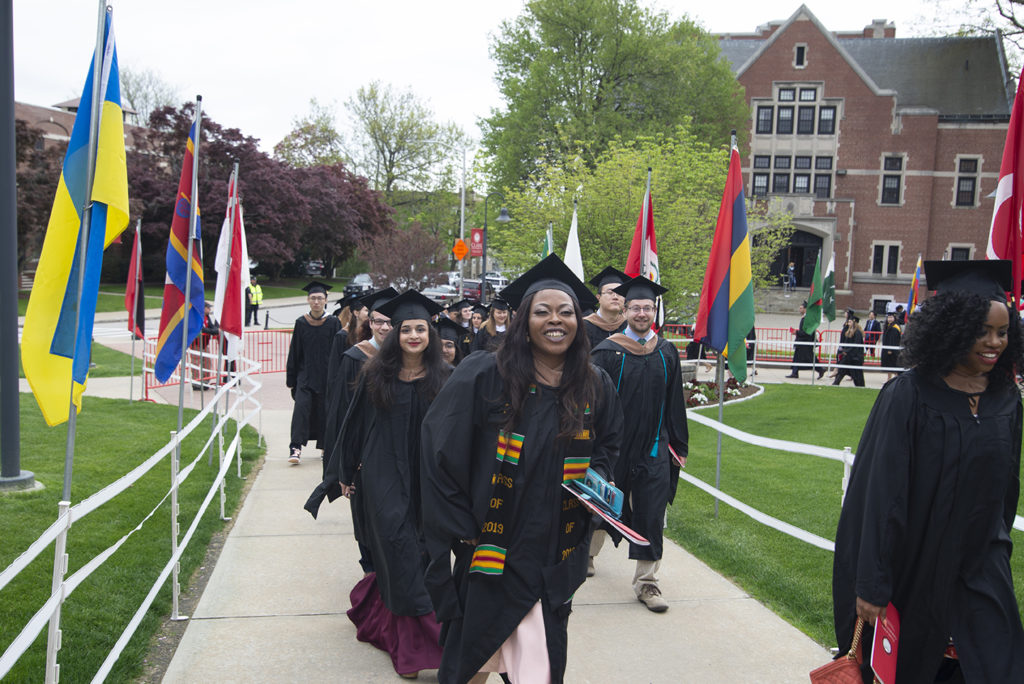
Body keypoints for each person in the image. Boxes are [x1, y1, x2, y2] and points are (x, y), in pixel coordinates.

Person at [421, 254, 623, 684]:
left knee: (541, 668)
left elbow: (608, 445)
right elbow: (439, 447)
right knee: (473, 661)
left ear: (579, 320)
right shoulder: (485, 374)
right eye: (543, 312)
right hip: (495, 548)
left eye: (566, 312)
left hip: (555, 552)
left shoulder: (593, 383)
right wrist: (461, 523)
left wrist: (598, 484)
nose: (556, 321)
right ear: (523, 320)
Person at [832, 259, 1024, 683]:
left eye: (1003, 331)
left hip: (981, 569)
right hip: (914, 569)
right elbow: (880, 496)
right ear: (952, 328)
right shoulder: (910, 396)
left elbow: (1005, 493)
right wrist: (872, 583)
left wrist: (996, 554)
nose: (994, 342)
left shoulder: (1006, 402)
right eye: (982, 331)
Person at [318, 290, 450, 679]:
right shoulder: (376, 373)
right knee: (397, 546)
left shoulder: (446, 377)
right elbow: (352, 423)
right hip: (382, 474)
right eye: (406, 329)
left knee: (423, 551)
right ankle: (415, 646)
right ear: (396, 334)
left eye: (420, 329)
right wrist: (343, 473)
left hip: (429, 478)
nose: (413, 335)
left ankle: (375, 608)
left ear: (430, 333)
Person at [589, 276, 688, 613]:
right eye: (636, 307)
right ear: (626, 310)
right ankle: (586, 555)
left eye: (648, 307)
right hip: (613, 448)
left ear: (654, 310)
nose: (642, 313)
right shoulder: (605, 352)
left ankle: (647, 584)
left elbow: (676, 402)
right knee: (601, 504)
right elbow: (592, 402)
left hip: (654, 448)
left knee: (651, 513)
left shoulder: (665, 352)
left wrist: (679, 444)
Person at [285, 281, 341, 465]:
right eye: (313, 298)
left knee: (326, 412)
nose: (316, 301)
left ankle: (326, 447)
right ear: (308, 300)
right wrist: (291, 379)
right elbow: (295, 352)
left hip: (327, 377)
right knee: (301, 411)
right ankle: (295, 448)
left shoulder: (334, 323)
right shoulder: (301, 323)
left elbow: (339, 352)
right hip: (305, 376)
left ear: (326, 300)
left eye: (320, 298)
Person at [582, 266, 628, 348]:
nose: (615, 297)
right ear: (598, 298)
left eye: (620, 292)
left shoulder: (628, 326)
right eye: (610, 292)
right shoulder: (584, 327)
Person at [785, 301, 824, 379]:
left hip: (805, 342)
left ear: (805, 309)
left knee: (810, 358)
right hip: (802, 342)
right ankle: (795, 372)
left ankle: (820, 369)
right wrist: (797, 332)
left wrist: (797, 332)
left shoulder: (807, 319)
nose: (799, 309)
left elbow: (807, 332)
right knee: (798, 357)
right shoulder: (805, 318)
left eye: (801, 308)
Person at [831, 314, 865, 387]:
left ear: (854, 322)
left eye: (849, 322)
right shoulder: (848, 332)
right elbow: (846, 343)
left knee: (857, 375)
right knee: (841, 371)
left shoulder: (857, 333)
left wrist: (847, 351)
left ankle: (860, 386)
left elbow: (856, 345)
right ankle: (835, 384)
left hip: (855, 357)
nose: (848, 323)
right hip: (847, 357)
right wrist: (844, 351)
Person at [880, 311, 903, 380]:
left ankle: (896, 378)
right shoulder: (888, 326)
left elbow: (893, 340)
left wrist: (890, 349)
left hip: (892, 350)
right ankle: (889, 378)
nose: (889, 319)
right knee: (889, 365)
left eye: (891, 317)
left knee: (894, 365)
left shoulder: (894, 327)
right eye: (888, 317)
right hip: (887, 348)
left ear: (894, 318)